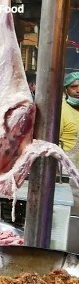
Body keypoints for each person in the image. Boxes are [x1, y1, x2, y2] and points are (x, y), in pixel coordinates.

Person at [60, 72, 79, 216]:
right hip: (68, 171)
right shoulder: (61, 110)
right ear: (66, 89)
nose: (78, 90)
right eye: (74, 87)